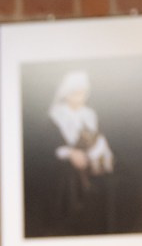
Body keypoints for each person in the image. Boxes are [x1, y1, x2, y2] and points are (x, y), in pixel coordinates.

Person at [45, 71, 115, 235]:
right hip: (65, 170)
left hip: (91, 165)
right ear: (66, 93)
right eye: (75, 92)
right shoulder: (55, 115)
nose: (79, 96)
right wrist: (71, 154)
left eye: (82, 92)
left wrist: (97, 152)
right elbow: (49, 145)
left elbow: (99, 137)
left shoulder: (89, 114)